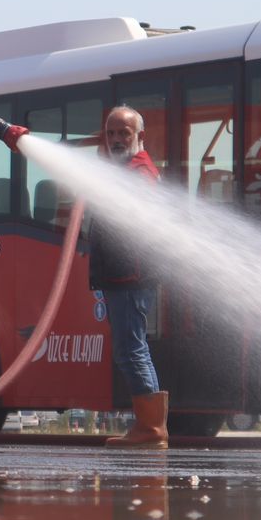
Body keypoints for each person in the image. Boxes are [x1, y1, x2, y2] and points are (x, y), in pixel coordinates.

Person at [89, 105, 168, 449]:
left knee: (132, 349)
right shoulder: (122, 171)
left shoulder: (140, 173)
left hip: (130, 276)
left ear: (140, 137)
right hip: (120, 274)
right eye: (111, 133)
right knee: (129, 349)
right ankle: (149, 427)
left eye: (124, 132)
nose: (117, 139)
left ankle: (151, 430)